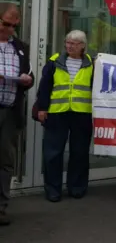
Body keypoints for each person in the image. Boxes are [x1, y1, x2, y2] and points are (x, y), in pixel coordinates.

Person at [36, 30, 94, 202]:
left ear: (83, 45)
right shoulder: (54, 62)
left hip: (82, 113)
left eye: (75, 43)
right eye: (68, 42)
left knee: (80, 152)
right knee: (53, 153)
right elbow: (44, 87)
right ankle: (53, 189)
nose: (70, 46)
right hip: (57, 112)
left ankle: (77, 187)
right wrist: (42, 108)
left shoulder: (92, 64)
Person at [0, 2, 34, 226]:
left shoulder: (20, 46)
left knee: (5, 161)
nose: (11, 29)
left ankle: (1, 207)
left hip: (10, 111)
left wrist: (29, 80)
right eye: (6, 24)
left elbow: (29, 75)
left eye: (14, 25)